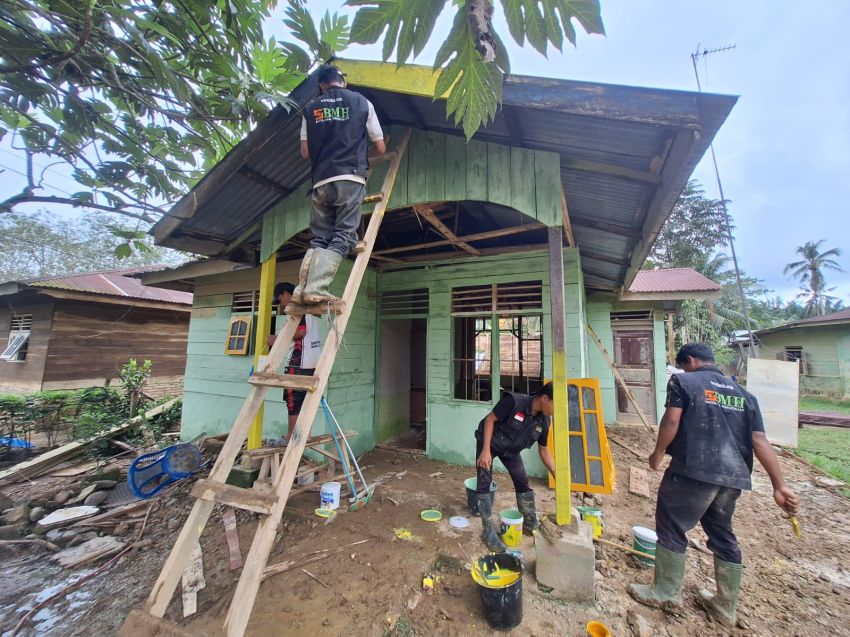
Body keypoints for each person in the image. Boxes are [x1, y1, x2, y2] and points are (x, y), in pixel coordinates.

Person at [629, 343, 800, 627]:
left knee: (671, 525)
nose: (684, 371)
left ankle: (665, 592)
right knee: (721, 532)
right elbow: (760, 441)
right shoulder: (746, 396)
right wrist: (779, 486)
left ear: (690, 361)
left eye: (684, 366)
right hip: (731, 479)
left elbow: (671, 420)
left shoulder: (683, 382)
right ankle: (725, 605)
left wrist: (658, 453)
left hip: (692, 471)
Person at [294, 64, 386, 305]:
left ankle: (301, 290)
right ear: (343, 82)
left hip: (321, 181)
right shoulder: (362, 102)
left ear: (321, 85)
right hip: (350, 177)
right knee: (344, 236)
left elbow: (305, 152)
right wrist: (362, 157)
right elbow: (380, 147)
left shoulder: (310, 109)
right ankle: (316, 287)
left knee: (320, 239)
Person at [475, 382, 557, 552]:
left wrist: (556, 473)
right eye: (555, 405)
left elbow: (543, 450)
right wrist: (485, 451)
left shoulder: (544, 421)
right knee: (484, 482)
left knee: (522, 481)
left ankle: (529, 523)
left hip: (511, 451)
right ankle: (488, 532)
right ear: (544, 398)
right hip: (490, 443)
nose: (555, 410)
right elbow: (490, 420)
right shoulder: (514, 402)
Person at [266, 282, 321, 443]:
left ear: (285, 294)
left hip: (299, 362)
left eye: (279, 299)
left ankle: (292, 435)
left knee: (293, 400)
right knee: (306, 400)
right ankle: (305, 434)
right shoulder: (311, 312)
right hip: (312, 363)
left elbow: (300, 332)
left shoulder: (299, 310)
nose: (281, 304)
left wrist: (277, 339)